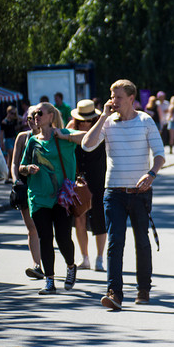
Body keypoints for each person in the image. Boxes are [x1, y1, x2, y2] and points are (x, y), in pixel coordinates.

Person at [82, 79, 165, 310]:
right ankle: (114, 293)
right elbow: (87, 146)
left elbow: (160, 154)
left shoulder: (145, 121)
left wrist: (151, 173)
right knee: (115, 242)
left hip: (140, 192)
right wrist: (101, 117)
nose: (113, 100)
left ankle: (143, 288)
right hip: (113, 192)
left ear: (131, 99)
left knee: (142, 241)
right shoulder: (107, 122)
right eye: (111, 95)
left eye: (118, 97)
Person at [19, 102, 81, 295]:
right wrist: (28, 169)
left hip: (61, 198)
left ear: (51, 116)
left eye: (40, 113)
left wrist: (64, 135)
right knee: (45, 238)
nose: (35, 116)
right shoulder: (32, 141)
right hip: (38, 198)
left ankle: (71, 266)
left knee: (63, 238)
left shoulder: (62, 136)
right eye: (34, 114)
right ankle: (49, 281)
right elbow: (21, 167)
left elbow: (89, 139)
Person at [67, 100, 108, 272]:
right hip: (78, 180)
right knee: (79, 218)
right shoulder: (71, 127)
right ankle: (85, 258)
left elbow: (87, 140)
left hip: (98, 179)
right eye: (81, 120)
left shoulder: (102, 127)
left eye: (88, 120)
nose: (84, 123)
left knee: (99, 219)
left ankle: (99, 258)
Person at [11, 111, 43, 279]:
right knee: (32, 228)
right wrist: (16, 180)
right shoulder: (23, 137)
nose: (31, 121)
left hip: (45, 188)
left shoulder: (51, 137)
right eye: (29, 118)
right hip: (25, 187)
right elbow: (15, 162)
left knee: (44, 228)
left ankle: (51, 263)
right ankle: (37, 265)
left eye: (35, 117)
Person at [1, 105, 24, 181]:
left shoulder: (14, 120)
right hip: (8, 140)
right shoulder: (4, 122)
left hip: (14, 139)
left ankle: (9, 176)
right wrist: (2, 143)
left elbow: (22, 118)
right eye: (12, 113)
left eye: (14, 113)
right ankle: (10, 175)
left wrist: (16, 115)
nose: (13, 115)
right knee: (12, 156)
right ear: (8, 112)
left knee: (11, 159)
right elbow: (2, 133)